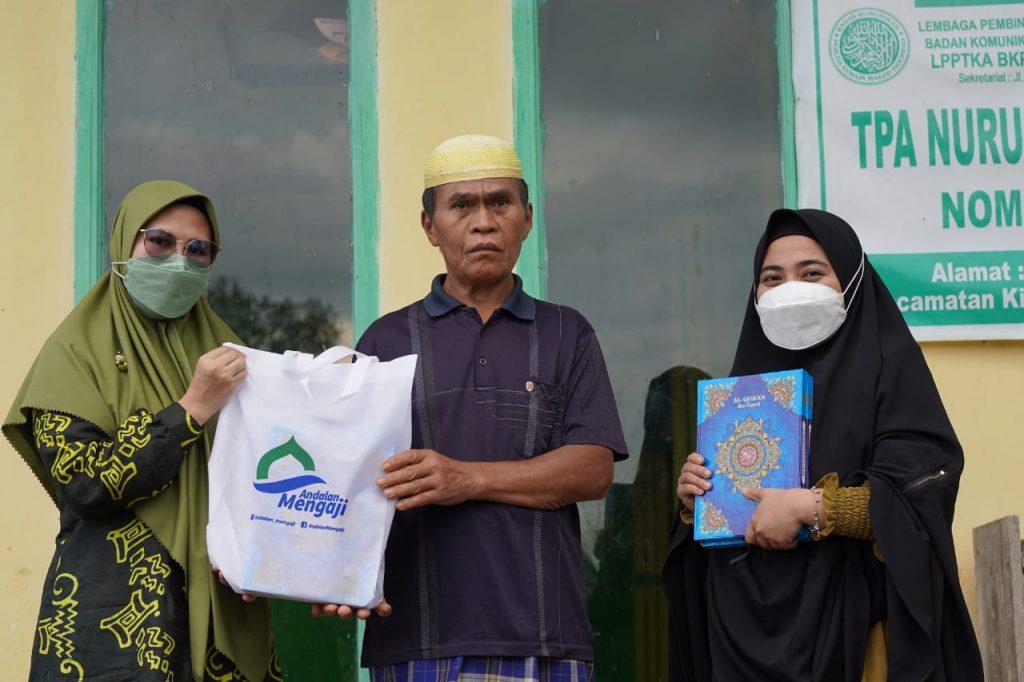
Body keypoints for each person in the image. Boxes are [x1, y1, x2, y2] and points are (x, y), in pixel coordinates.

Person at [315, 134, 628, 681]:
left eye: (500, 203)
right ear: (429, 226)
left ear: (526, 219)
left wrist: (465, 478)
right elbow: (347, 481)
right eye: (461, 205)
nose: (483, 222)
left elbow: (592, 469)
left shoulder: (566, 332)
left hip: (543, 637)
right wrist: (332, 575)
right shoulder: (386, 340)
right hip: (413, 638)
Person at [664, 208, 983, 681]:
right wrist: (698, 501)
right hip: (739, 639)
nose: (790, 288)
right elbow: (717, 537)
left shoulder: (889, 369)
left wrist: (815, 508)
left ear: (851, 282)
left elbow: (920, 493)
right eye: (772, 278)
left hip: (855, 636)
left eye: (812, 273)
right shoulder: (742, 389)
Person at [3, 180, 278, 681]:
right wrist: (191, 408)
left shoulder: (230, 354)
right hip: (110, 625)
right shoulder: (75, 354)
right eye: (159, 242)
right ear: (124, 244)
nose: (179, 260)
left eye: (198, 250)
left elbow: (262, 481)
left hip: (220, 616)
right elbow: (84, 482)